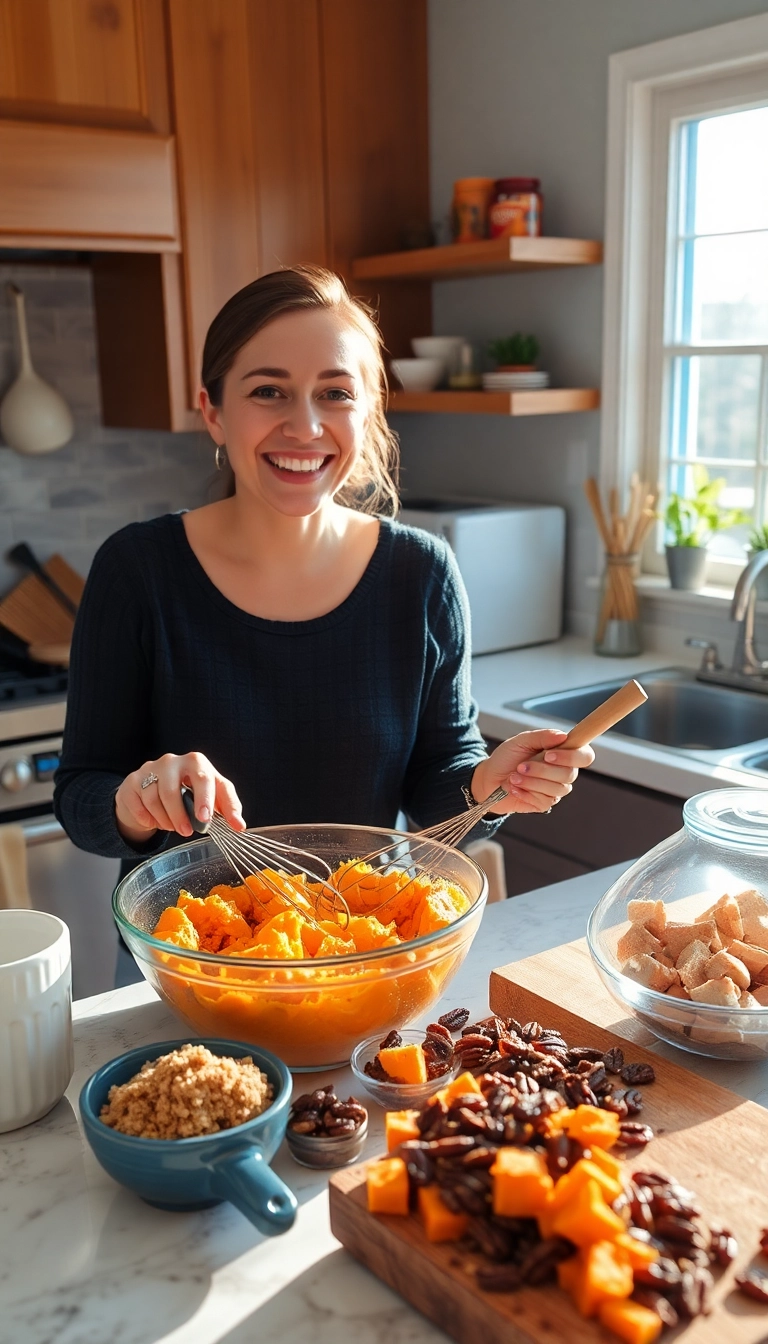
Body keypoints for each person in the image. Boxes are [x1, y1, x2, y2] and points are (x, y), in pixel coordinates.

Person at [54, 266, 593, 871]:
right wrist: (137, 799)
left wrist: (488, 784)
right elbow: (80, 796)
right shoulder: (137, 571)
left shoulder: (421, 574)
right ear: (213, 411)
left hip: (364, 946)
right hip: (191, 956)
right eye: (267, 391)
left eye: (335, 393)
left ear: (366, 413)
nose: (305, 427)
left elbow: (437, 786)